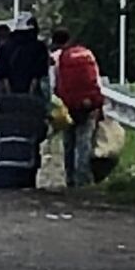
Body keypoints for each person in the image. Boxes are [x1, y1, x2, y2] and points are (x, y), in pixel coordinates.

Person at [53, 28, 104, 188]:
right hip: (88, 105)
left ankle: (70, 178)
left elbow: (54, 83)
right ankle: (83, 179)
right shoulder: (87, 54)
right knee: (84, 142)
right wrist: (97, 103)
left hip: (67, 105)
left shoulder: (56, 58)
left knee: (69, 142)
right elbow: (96, 80)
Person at [0, 14, 49, 95]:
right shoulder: (39, 47)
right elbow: (38, 73)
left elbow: (3, 74)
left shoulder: (5, 47)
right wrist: (30, 95)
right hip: (33, 95)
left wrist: (9, 95)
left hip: (9, 94)